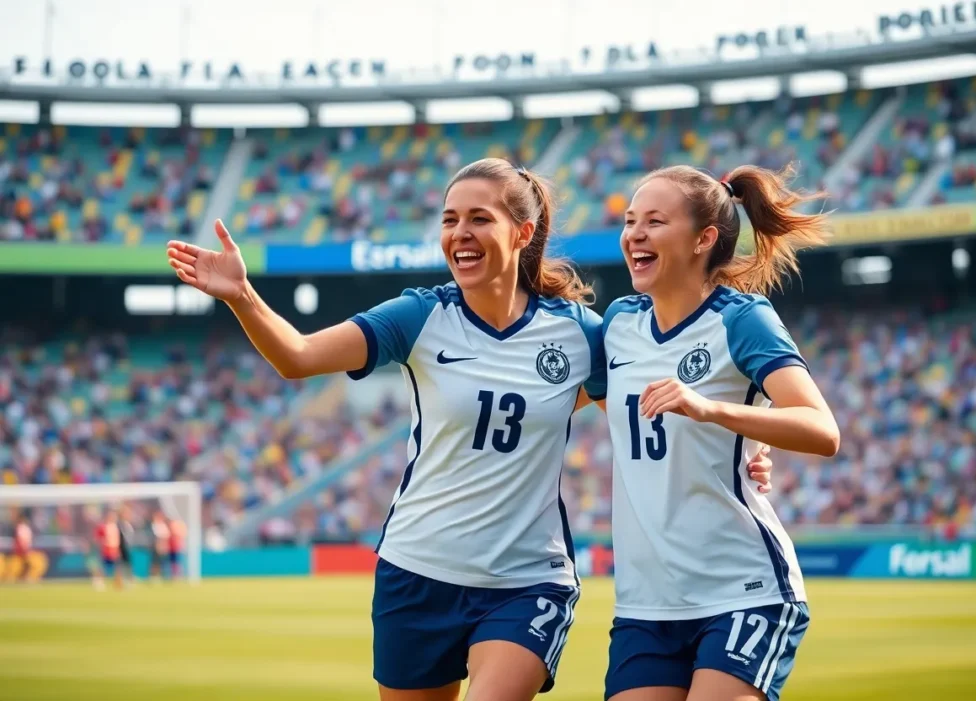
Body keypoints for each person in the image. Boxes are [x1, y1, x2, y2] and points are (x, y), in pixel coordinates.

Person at [167, 158, 772, 701]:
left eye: (479, 218)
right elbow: (297, 356)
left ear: (522, 233)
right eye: (450, 219)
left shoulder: (581, 332)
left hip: (528, 580)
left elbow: (681, 368)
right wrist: (242, 295)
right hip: (415, 571)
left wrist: (751, 439)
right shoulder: (419, 315)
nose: (460, 233)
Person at [599, 164, 840, 701]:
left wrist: (713, 413)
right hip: (646, 603)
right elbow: (586, 399)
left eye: (654, 221)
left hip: (742, 589)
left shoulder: (742, 317)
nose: (634, 233)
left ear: (704, 238)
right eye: (631, 220)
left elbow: (821, 429)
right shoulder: (617, 323)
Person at [96, 510, 123, 590]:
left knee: (117, 567)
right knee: (104, 566)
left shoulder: (116, 527)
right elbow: (99, 538)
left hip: (115, 549)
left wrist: (118, 549)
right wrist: (104, 543)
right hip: (107, 549)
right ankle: (99, 581)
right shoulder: (104, 527)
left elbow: (118, 539)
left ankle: (118, 583)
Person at [149, 511, 170, 581]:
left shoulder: (163, 525)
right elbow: (155, 537)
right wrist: (157, 546)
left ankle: (163, 576)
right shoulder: (153, 525)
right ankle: (154, 577)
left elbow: (166, 536)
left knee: (163, 562)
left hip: (163, 547)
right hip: (156, 547)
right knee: (155, 562)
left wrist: (164, 546)